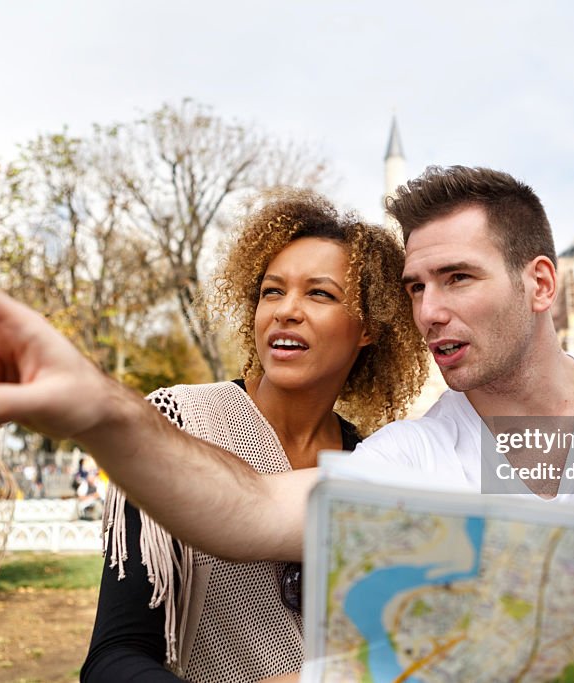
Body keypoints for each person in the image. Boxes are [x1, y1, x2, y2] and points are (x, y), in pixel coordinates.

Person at [0, 165, 574, 564]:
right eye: (414, 285)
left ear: (540, 281)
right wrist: (98, 407)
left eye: (459, 278)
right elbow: (251, 507)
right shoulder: (412, 459)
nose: (429, 309)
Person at [80, 191, 427, 682]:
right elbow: (113, 658)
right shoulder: (175, 427)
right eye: (271, 291)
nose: (286, 310)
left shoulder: (374, 463)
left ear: (369, 327)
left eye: (320, 293)